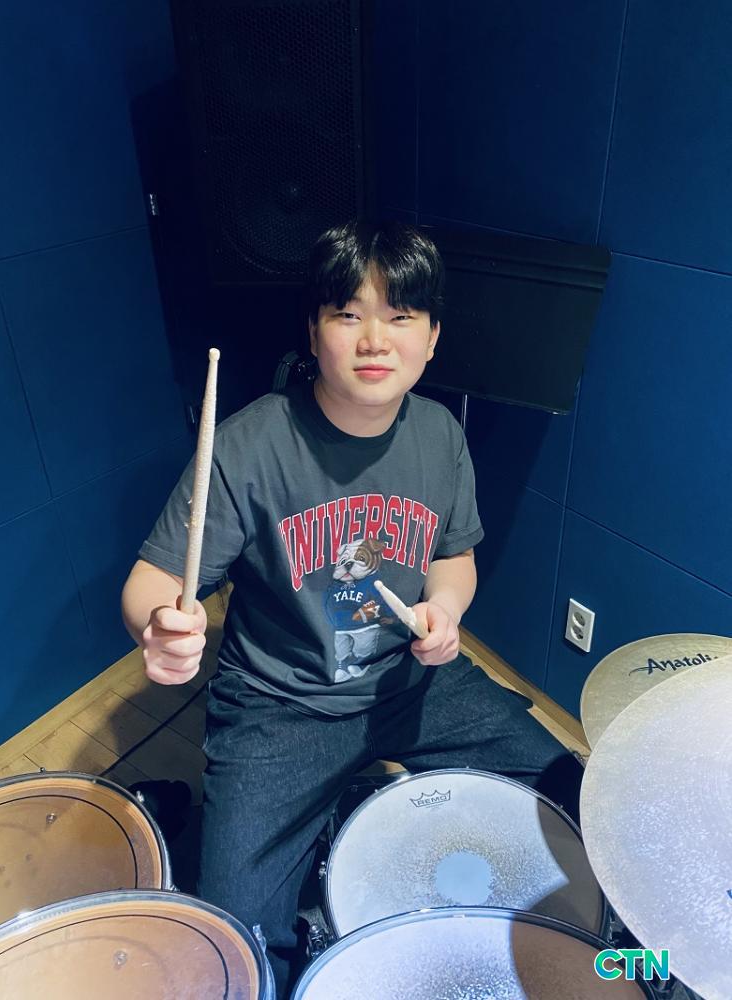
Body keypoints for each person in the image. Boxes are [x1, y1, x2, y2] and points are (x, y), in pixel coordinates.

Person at [121, 220, 583, 997]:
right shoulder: (247, 445)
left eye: (400, 316)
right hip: (279, 703)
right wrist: (158, 627)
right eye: (347, 314)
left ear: (431, 338)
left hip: (411, 681)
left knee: (568, 788)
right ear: (314, 332)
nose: (374, 339)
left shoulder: (440, 434)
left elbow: (455, 556)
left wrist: (445, 610)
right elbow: (153, 578)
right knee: (235, 942)